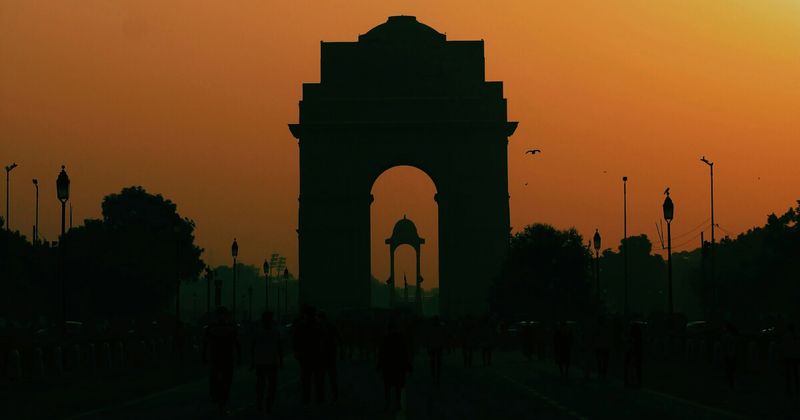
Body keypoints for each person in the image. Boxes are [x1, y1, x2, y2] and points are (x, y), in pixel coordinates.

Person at [202, 307, 241, 416]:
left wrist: (204, 356)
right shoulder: (230, 328)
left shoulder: (211, 328)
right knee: (225, 380)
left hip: (218, 358)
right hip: (224, 358)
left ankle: (219, 399)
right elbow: (236, 343)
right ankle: (222, 400)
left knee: (219, 380)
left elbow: (206, 343)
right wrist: (239, 355)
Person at [251, 311, 283, 413]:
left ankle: (260, 404)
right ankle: (268, 405)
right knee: (271, 386)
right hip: (271, 362)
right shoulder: (275, 332)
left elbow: (253, 347)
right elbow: (279, 347)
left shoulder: (258, 332)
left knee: (261, 384)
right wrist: (281, 360)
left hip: (261, 361)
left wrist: (252, 361)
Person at [378, 320, 412, 412]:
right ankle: (398, 403)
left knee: (387, 386)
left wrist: (379, 364)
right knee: (398, 386)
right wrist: (408, 365)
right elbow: (405, 353)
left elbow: (382, 352)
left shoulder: (386, 338)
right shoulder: (401, 338)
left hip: (388, 366)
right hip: (399, 365)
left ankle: (388, 403)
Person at [293, 304, 323, 404]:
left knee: (306, 377)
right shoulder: (318, 324)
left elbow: (297, 339)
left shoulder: (301, 325)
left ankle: (307, 397)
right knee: (317, 377)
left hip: (306, 354)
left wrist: (297, 352)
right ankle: (319, 397)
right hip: (316, 353)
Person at [318, 311, 339, 402]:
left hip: (322, 355)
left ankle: (321, 396)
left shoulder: (318, 327)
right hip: (330, 354)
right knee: (332, 377)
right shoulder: (331, 326)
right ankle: (334, 395)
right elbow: (337, 337)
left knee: (321, 377)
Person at [427, 316, 446, 384]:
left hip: (433, 346)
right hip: (438, 346)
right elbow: (443, 337)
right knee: (437, 362)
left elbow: (428, 338)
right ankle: (437, 375)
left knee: (433, 361)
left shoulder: (430, 328)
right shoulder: (441, 328)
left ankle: (434, 375)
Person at [624, 322, 643, 388]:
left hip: (631, 352)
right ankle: (637, 381)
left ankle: (629, 380)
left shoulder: (631, 338)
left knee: (629, 366)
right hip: (636, 352)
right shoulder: (638, 338)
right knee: (636, 367)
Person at [720, 322, 738, 389]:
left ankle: (730, 383)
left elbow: (724, 345)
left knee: (728, 369)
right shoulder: (734, 336)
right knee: (731, 369)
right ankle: (731, 383)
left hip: (728, 354)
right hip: (733, 354)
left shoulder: (727, 336)